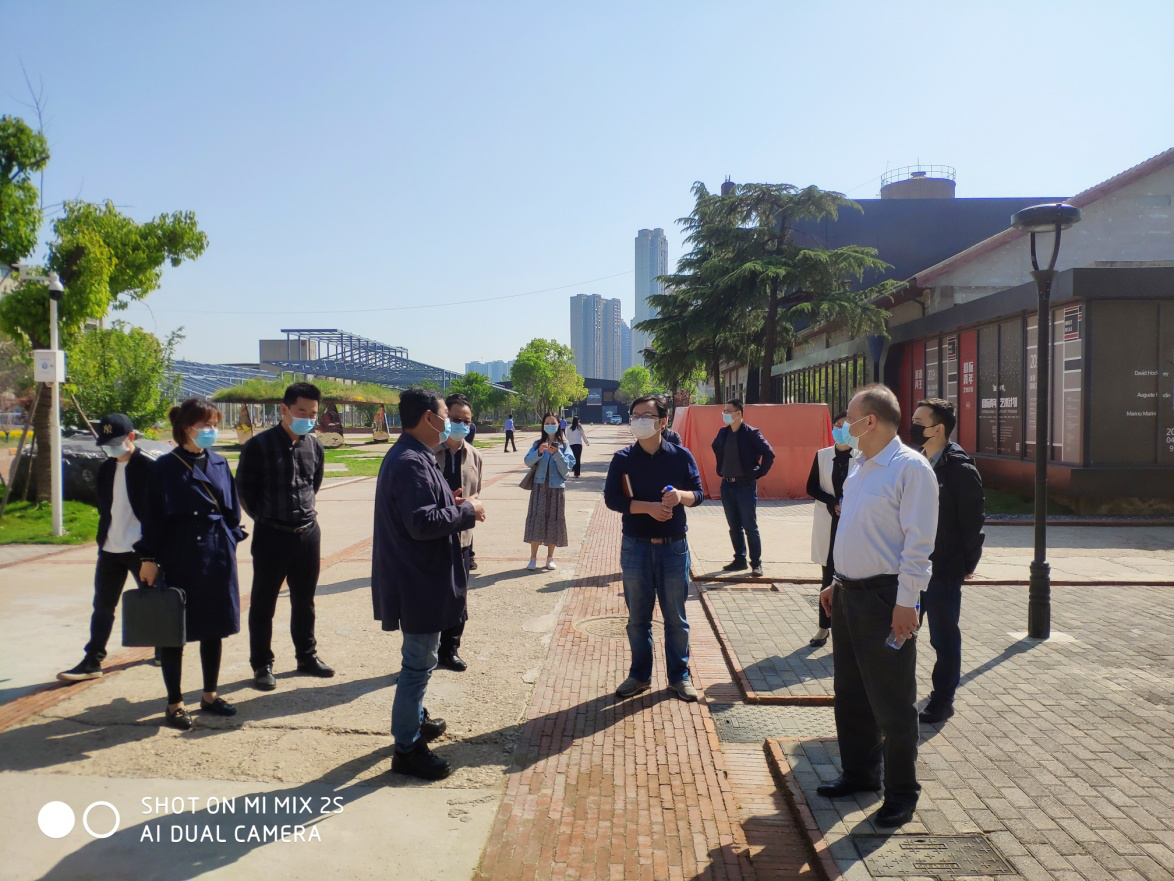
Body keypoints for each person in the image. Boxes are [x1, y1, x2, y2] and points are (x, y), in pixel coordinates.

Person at [817, 384, 938, 828]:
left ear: (870, 421)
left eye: (848, 416)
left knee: (892, 702)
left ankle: (902, 793)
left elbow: (918, 544)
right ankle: (860, 774)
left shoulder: (911, 469)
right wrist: (836, 582)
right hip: (849, 596)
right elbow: (854, 532)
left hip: (888, 599)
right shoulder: (861, 467)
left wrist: (908, 603)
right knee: (850, 693)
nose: (842, 424)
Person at [371, 387, 486, 780]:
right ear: (428, 418)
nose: (450, 422)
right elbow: (420, 523)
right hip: (417, 579)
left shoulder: (415, 456)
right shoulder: (410, 461)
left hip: (420, 575)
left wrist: (449, 503)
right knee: (418, 664)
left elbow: (422, 511)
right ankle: (407, 747)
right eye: (444, 415)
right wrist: (467, 510)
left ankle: (415, 719)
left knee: (421, 659)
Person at [136, 399, 247, 731]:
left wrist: (230, 536)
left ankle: (210, 695)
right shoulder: (164, 467)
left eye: (215, 424)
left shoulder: (219, 462)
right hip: (179, 554)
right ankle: (175, 703)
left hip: (217, 555)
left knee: (214, 627)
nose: (212, 431)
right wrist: (149, 558)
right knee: (174, 631)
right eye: (206, 425)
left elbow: (232, 509)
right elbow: (151, 518)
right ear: (187, 428)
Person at [605, 394, 705, 702]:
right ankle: (639, 676)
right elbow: (613, 500)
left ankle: (680, 676)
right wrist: (647, 507)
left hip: (674, 548)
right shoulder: (623, 458)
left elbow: (699, 493)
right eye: (635, 416)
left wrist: (681, 497)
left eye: (645, 416)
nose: (638, 421)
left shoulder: (680, 456)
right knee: (638, 618)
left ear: (663, 422)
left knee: (676, 618)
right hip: (636, 547)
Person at [236, 381, 332, 691]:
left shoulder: (314, 446)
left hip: (307, 533)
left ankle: (306, 656)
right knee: (264, 604)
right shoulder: (258, 446)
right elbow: (246, 494)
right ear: (284, 410)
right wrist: (269, 518)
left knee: (304, 601)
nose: (307, 417)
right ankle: (262, 664)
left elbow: (312, 485)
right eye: (301, 411)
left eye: (312, 413)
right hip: (271, 535)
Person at [57, 413, 153, 682]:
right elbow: (105, 508)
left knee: (154, 601)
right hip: (111, 549)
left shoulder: (150, 468)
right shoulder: (106, 468)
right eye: (107, 443)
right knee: (102, 606)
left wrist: (152, 553)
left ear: (131, 437)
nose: (112, 448)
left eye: (117, 442)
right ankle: (93, 659)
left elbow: (158, 515)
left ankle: (164, 647)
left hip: (140, 549)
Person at [911, 398, 985, 725]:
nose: (912, 428)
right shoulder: (915, 462)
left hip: (943, 570)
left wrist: (966, 565)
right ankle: (899, 695)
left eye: (918, 422)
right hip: (912, 567)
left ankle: (943, 700)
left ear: (938, 428)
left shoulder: (960, 469)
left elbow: (973, 525)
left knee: (943, 638)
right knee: (902, 634)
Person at [433, 393, 483, 672]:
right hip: (433, 536)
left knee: (458, 596)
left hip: (462, 539)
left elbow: (477, 497)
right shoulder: (430, 453)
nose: (461, 425)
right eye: (455, 420)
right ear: (444, 419)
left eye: (466, 421)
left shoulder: (475, 456)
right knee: (432, 595)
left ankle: (450, 649)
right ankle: (427, 651)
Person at [711, 399, 776, 577]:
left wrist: (757, 473)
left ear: (738, 413)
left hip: (744, 485)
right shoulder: (723, 433)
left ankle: (756, 563)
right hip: (727, 484)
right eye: (724, 410)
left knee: (750, 526)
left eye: (728, 410)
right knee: (734, 526)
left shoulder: (751, 433)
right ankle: (739, 560)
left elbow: (769, 454)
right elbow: (715, 446)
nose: (724, 413)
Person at [805, 412, 853, 648]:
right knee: (828, 575)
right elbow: (811, 486)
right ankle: (823, 628)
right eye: (837, 426)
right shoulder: (823, 455)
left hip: (853, 522)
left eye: (845, 426)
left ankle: (848, 631)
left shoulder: (863, 456)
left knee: (852, 578)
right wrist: (832, 502)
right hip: (830, 521)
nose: (840, 430)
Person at [522, 413, 575, 570]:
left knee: (554, 521)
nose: (550, 425)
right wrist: (538, 452)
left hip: (556, 489)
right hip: (539, 487)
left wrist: (557, 454)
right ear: (543, 425)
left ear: (559, 424)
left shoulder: (564, 445)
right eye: (547, 422)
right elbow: (527, 461)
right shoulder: (538, 443)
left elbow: (567, 468)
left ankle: (550, 558)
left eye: (553, 422)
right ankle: (532, 558)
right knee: (537, 520)